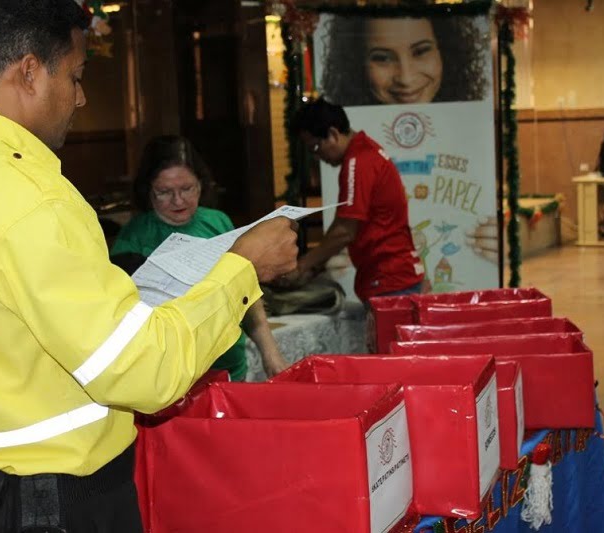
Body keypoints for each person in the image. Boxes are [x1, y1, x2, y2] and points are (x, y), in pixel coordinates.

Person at [0, 1, 297, 531]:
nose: (81, 96)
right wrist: (242, 268)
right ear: (29, 72)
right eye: (74, 76)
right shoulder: (30, 198)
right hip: (50, 503)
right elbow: (146, 372)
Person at [111, 136, 289, 380]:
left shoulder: (217, 221)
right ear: (148, 191)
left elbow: (246, 291)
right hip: (174, 374)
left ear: (202, 186)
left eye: (187, 189)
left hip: (230, 364)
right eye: (164, 192)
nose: (178, 201)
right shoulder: (133, 239)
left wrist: (270, 353)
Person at [284, 97, 425, 301]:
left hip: (389, 279)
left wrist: (302, 266)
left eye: (315, 147)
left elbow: (344, 231)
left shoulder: (358, 162)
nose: (316, 156)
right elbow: (344, 225)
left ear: (333, 134)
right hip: (394, 276)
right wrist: (315, 265)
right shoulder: (366, 151)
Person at [321, 15, 489, 107]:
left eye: (421, 51)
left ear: (446, 53)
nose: (405, 78)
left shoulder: (471, 129)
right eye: (382, 58)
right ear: (356, 63)